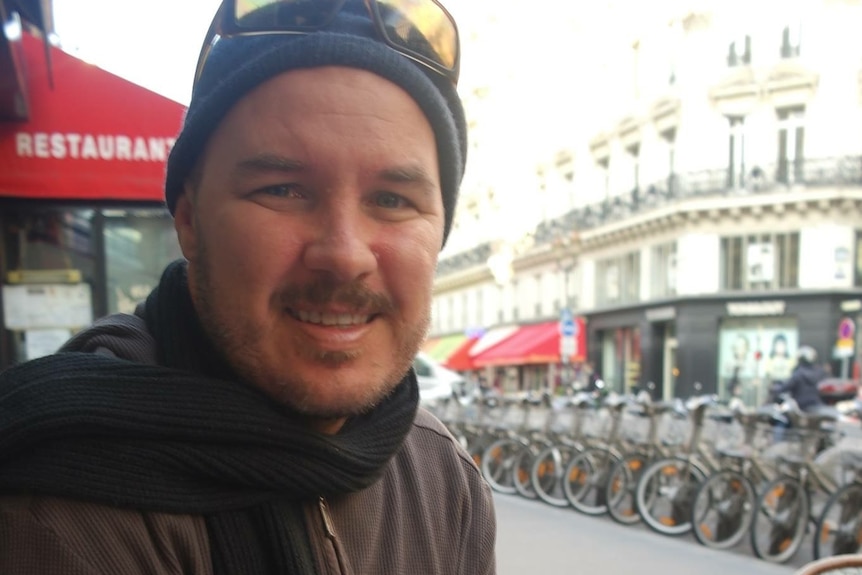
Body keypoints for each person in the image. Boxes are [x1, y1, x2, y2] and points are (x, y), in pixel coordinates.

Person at [0, 1, 496, 574]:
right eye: (282, 189)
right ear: (189, 220)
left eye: (392, 200)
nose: (343, 254)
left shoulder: (440, 474)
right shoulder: (61, 510)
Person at [772, 345, 827, 412]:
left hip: (800, 406)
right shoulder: (818, 372)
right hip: (817, 404)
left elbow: (785, 387)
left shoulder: (798, 373)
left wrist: (775, 389)